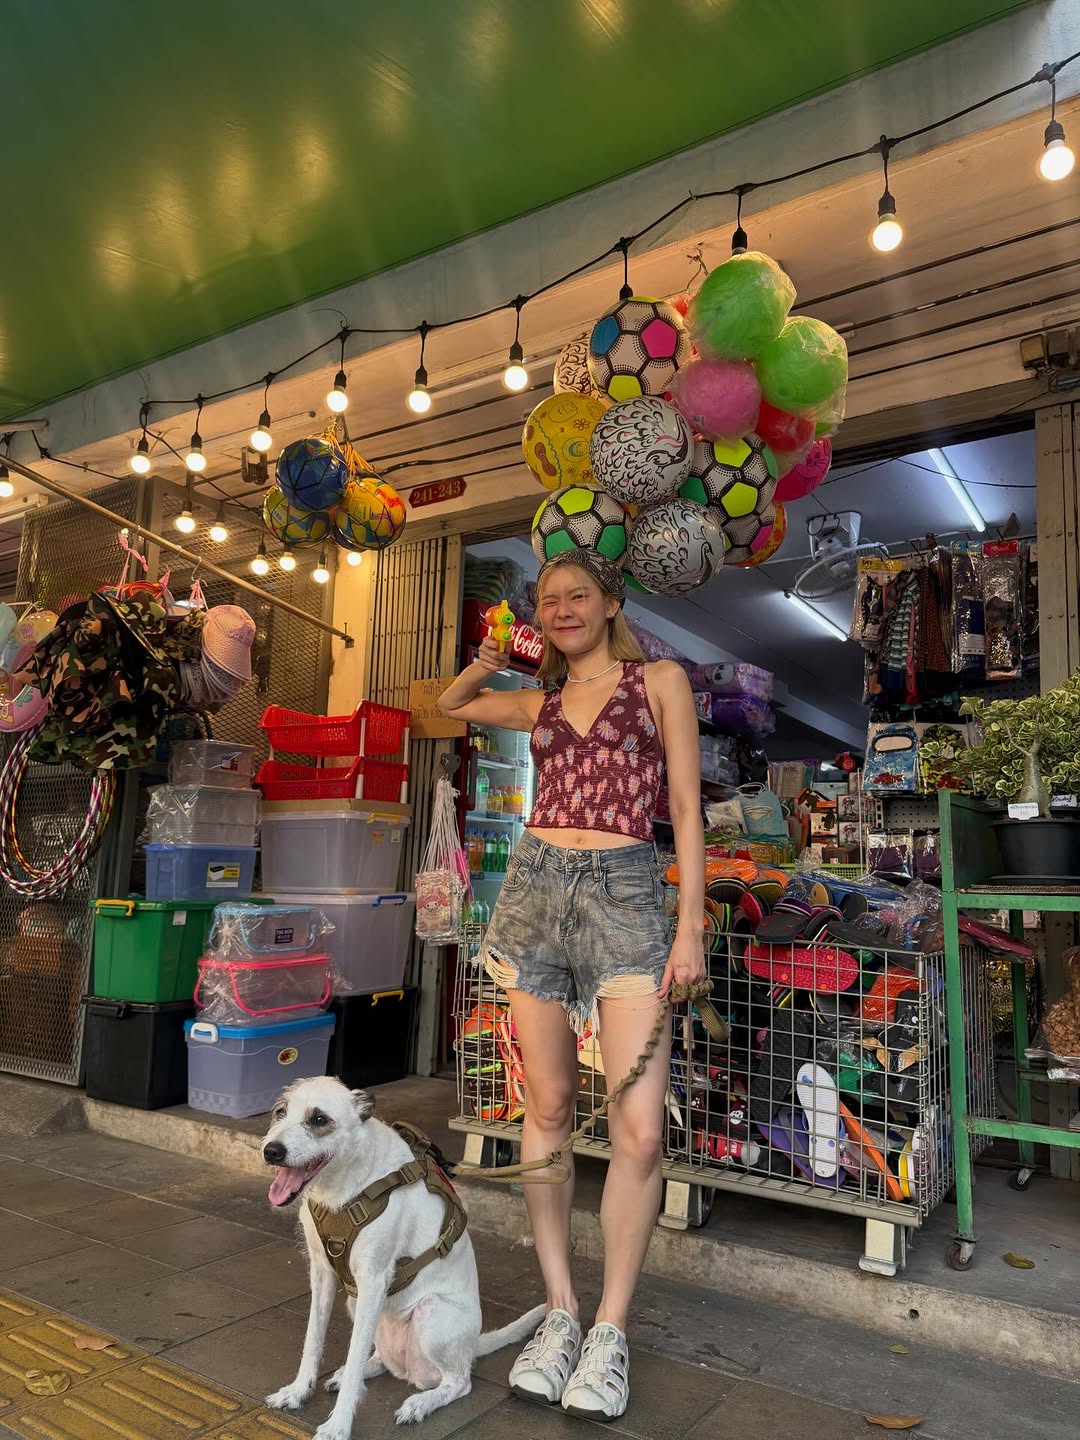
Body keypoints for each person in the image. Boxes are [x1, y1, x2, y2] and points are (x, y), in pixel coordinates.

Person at [439, 549, 704, 1421]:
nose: (562, 609)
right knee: (547, 1105)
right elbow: (448, 708)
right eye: (548, 600)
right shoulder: (541, 700)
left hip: (628, 898)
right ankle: (560, 1310)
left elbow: (685, 809)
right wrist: (490, 654)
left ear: (610, 602)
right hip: (534, 892)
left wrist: (691, 926)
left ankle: (610, 1328)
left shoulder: (659, 681)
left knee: (639, 1129)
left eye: (577, 595)